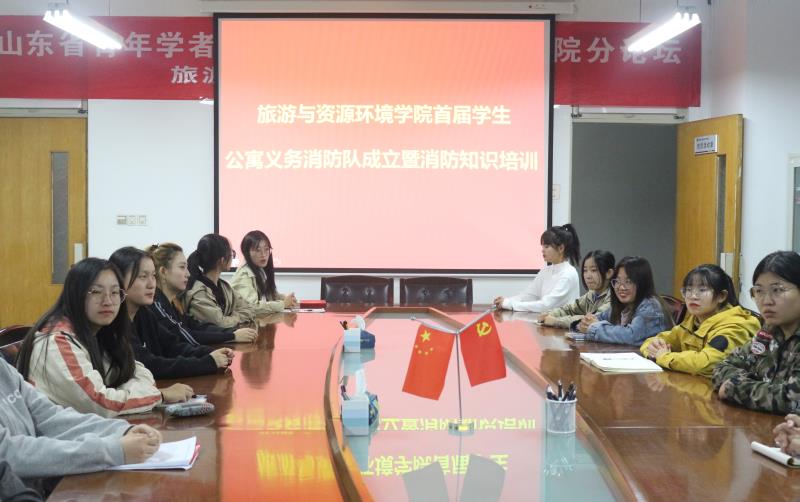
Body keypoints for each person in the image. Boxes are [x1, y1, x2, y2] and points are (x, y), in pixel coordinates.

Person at [16, 258, 192, 418]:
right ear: (75, 294)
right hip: (56, 437)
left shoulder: (98, 333)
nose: (107, 301)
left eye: (115, 292)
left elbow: (137, 371)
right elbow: (100, 403)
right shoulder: (56, 342)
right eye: (95, 292)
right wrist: (160, 395)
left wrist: (125, 391)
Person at [0, 359, 161, 496]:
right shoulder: (56, 340)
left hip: (37, 491)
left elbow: (50, 416)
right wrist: (113, 450)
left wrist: (121, 431)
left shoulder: (3, 368)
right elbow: (9, 453)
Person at [110, 246, 235, 379]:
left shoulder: (144, 313)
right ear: (118, 280)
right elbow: (149, 365)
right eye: (143, 277)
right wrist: (208, 362)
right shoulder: (114, 322)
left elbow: (172, 345)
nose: (151, 284)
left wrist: (210, 353)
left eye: (153, 276)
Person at [713, 251, 800, 414]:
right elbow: (722, 367)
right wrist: (756, 387)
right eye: (759, 291)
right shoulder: (769, 331)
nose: (766, 301)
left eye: (777, 290)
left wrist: (736, 388)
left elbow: (793, 398)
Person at [640, 264, 759, 377]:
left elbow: (708, 363)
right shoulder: (693, 322)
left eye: (702, 290)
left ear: (721, 296)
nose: (693, 296)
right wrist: (653, 348)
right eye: (688, 290)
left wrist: (664, 357)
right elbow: (651, 342)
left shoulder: (735, 326)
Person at [147, 243, 257, 345]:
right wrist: (232, 336)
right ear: (163, 272)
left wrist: (232, 332)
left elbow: (196, 326)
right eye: (182, 267)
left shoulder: (172, 304)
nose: (188, 274)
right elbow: (184, 336)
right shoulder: (156, 304)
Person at [577, 256, 673, 345]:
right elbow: (599, 318)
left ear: (642, 283)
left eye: (628, 281)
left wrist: (593, 328)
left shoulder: (651, 306)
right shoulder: (624, 304)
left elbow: (630, 336)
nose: (621, 287)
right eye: (617, 281)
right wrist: (586, 322)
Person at [493, 224, 581, 312]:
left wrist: (510, 304)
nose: (542, 250)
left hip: (562, 321)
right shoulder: (546, 271)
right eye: (542, 246)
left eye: (546, 246)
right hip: (547, 319)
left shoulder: (568, 274)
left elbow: (546, 305)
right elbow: (529, 295)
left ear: (561, 248)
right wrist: (507, 301)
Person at [183, 234, 256, 328]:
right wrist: (237, 317)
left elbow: (250, 308)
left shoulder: (224, 287)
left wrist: (230, 318)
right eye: (232, 253)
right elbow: (220, 324)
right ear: (222, 260)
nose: (233, 257)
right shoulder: (198, 292)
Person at [539, 250, 615, 328]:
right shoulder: (592, 294)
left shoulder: (614, 297)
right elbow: (570, 309)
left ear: (608, 273)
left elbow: (590, 321)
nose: (588, 276)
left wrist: (556, 321)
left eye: (593, 270)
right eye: (585, 270)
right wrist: (550, 314)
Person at [231, 230, 298, 314]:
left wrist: (286, 299)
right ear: (246, 253)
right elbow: (252, 307)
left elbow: (269, 295)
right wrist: (283, 304)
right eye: (258, 250)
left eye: (266, 249)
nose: (263, 254)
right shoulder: (243, 275)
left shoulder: (260, 271)